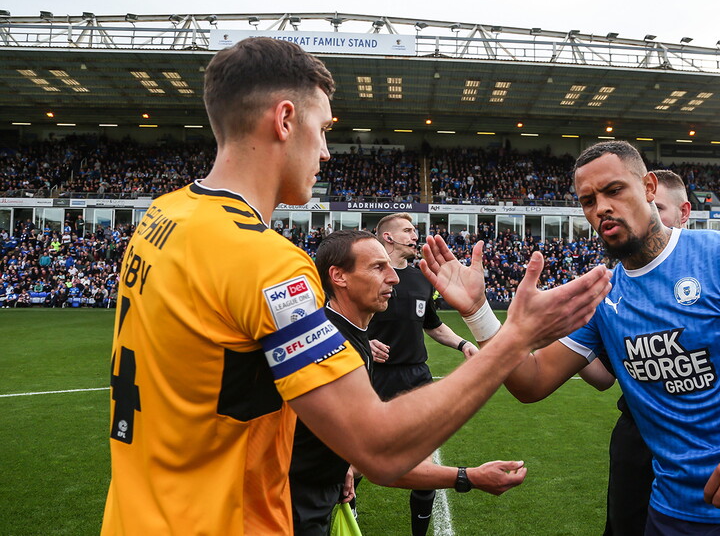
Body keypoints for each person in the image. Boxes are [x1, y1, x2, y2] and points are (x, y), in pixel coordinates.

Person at [101, 37, 612, 535]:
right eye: (322, 129)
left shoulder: (163, 215)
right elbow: (379, 447)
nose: (325, 151)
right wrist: (517, 337)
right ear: (283, 120)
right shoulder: (266, 262)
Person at [420, 141, 720, 535]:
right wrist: (477, 312)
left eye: (614, 190)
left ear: (649, 188)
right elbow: (530, 382)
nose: (601, 208)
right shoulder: (601, 294)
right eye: (588, 199)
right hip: (673, 514)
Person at [290, 230, 526, 535]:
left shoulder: (343, 335)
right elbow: (379, 460)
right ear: (339, 276)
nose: (394, 278)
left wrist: (340, 462)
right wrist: (469, 477)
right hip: (290, 515)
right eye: (378, 267)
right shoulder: (333, 347)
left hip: (308, 505)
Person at [578, 168, 690, 535]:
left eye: (658, 206)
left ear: (684, 213)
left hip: (710, 445)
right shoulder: (611, 290)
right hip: (638, 438)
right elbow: (602, 379)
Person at [365, 213, 480, 536]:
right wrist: (361, 342)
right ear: (388, 238)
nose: (415, 235)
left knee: (425, 463)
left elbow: (432, 325)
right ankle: (351, 510)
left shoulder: (419, 279)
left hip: (416, 376)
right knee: (356, 460)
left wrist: (462, 343)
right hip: (371, 377)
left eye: (415, 229)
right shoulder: (365, 275)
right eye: (408, 230)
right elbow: (333, 319)